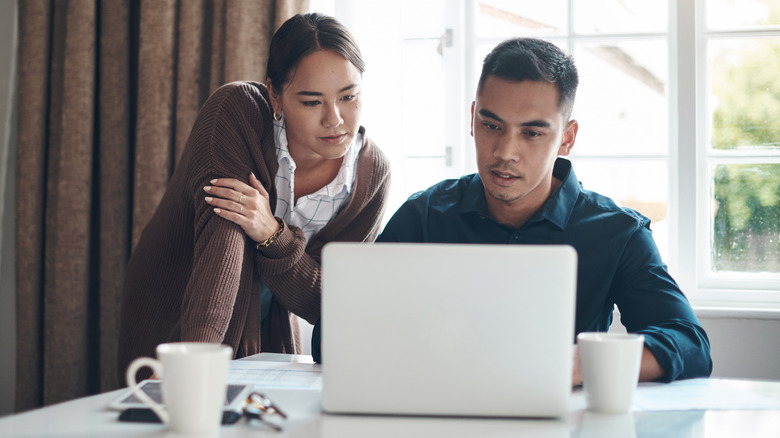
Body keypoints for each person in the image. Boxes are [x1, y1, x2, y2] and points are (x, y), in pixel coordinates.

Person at [377, 38, 711, 384]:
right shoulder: (424, 215)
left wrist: (581, 363)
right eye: (492, 126)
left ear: (567, 138)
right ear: (473, 119)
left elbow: (691, 346)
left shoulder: (617, 232)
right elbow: (338, 336)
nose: (506, 152)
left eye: (532, 133)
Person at [118, 12, 390, 382]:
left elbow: (328, 302)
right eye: (312, 102)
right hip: (181, 311)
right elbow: (222, 242)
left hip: (267, 330)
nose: (335, 120)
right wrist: (192, 364)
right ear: (275, 96)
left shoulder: (372, 175)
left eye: (349, 96)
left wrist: (272, 235)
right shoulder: (238, 112)